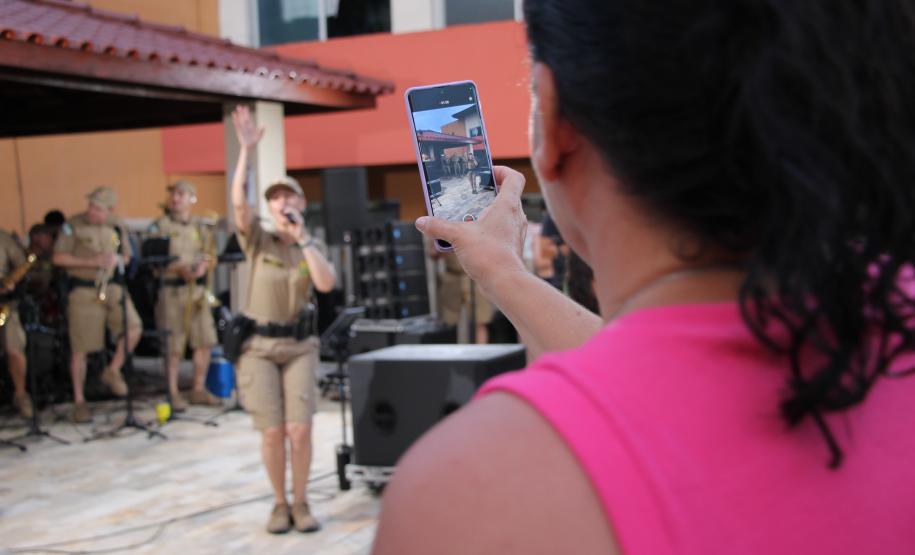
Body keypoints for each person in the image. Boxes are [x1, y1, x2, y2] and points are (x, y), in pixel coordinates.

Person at [374, 1, 915, 554]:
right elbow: (663, 378)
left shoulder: (471, 490)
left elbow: (662, 394)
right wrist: (503, 272)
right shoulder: (892, 312)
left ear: (554, 121)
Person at [230, 105, 336, 534]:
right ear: (269, 206)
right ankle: (279, 504)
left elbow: (326, 284)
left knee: (300, 429)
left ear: (301, 204)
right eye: (275, 197)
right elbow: (239, 203)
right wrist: (246, 151)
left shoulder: (310, 244)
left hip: (299, 347)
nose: (282, 202)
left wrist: (303, 238)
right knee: (273, 432)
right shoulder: (258, 239)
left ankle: (302, 501)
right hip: (258, 347)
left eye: (288, 196)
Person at [53, 187, 143, 423]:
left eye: (98, 208)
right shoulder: (73, 225)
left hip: (111, 286)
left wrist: (117, 260)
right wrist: (91, 261)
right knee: (80, 348)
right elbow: (58, 257)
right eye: (91, 206)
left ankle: (112, 370)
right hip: (84, 289)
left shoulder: (117, 225)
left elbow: (127, 256)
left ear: (110, 210)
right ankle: (79, 401)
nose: (92, 211)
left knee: (134, 327)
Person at [147, 180, 220, 411]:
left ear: (192, 198)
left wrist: (204, 266)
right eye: (173, 194)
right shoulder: (160, 226)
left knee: (204, 340)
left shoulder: (200, 226)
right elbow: (152, 263)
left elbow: (210, 255)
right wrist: (180, 269)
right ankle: (173, 392)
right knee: (173, 345)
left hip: (196, 292)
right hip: (171, 291)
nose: (175, 198)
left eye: (181, 194)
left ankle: (198, 388)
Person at [0, 229, 32, 418]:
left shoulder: (3, 238)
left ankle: (20, 394)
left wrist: (11, 281)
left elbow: (22, 264)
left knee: (15, 350)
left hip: (4, 304)